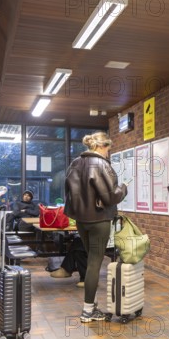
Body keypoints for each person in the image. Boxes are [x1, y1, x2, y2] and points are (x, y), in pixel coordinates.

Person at [64, 132, 128, 322]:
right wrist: (123, 187)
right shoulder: (102, 165)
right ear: (101, 146)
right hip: (99, 220)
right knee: (94, 264)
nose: (109, 153)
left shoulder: (74, 163)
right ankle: (88, 311)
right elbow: (110, 196)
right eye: (108, 149)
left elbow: (69, 193)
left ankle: (92, 306)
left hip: (81, 221)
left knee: (91, 260)